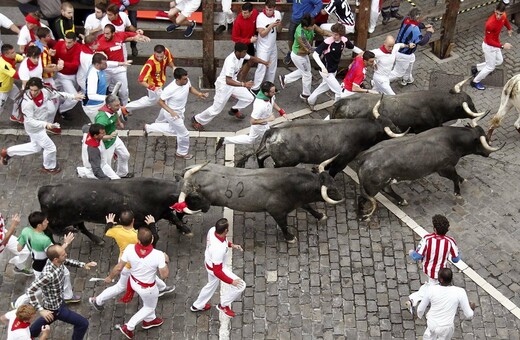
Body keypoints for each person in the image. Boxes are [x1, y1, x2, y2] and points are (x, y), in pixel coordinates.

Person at [89, 211, 174, 313]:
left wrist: (109, 223)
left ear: (119, 221)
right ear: (133, 221)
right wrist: (151, 224)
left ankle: (162, 288)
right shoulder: (136, 236)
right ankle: (97, 300)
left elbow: (107, 231)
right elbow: (152, 239)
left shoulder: (116, 230)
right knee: (121, 287)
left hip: (124, 259)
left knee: (149, 273)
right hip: (131, 265)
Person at [0, 77, 84, 172]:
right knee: (51, 148)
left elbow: (58, 94)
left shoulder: (45, 92)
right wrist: (45, 124)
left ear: (40, 88)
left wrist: (73, 96)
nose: (33, 92)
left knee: (35, 147)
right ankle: (49, 167)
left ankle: (8, 152)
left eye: (35, 90)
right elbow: (29, 121)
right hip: (34, 128)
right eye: (31, 90)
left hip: (41, 124)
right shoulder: (27, 103)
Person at [105, 227, 169, 339]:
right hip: (148, 288)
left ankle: (150, 320)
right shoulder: (158, 255)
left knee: (148, 304)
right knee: (149, 307)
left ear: (138, 240)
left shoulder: (130, 249)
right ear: (152, 239)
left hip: (133, 282)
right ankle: (129, 327)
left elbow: (119, 267)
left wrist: (110, 277)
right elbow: (164, 275)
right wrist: (166, 260)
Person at [191, 42, 269, 131]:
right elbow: (228, 81)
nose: (245, 54)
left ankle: (234, 110)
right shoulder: (230, 61)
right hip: (224, 86)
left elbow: (252, 58)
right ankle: (196, 119)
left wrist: (264, 62)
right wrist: (243, 84)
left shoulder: (241, 55)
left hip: (233, 83)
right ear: (237, 52)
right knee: (216, 110)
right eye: (243, 52)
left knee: (249, 98)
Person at [27, 245, 96, 340]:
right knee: (83, 323)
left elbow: (66, 260)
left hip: (59, 302)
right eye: (63, 254)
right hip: (56, 308)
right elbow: (30, 290)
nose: (66, 255)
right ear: (55, 259)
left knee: (48, 318)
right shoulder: (48, 275)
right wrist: (41, 310)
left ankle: (28, 335)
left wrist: (83, 264)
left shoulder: (56, 262)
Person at [13, 211, 78, 309]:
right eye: (45, 221)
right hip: (45, 267)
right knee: (39, 289)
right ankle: (18, 303)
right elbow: (55, 253)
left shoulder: (25, 231)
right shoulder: (44, 240)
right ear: (39, 225)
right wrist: (66, 242)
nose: (47, 222)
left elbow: (19, 248)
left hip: (37, 264)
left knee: (65, 273)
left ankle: (68, 296)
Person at [145, 67, 208, 160]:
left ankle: (149, 127)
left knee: (173, 130)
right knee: (184, 134)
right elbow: (160, 101)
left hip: (180, 111)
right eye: (184, 79)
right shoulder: (170, 89)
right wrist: (172, 112)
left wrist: (199, 94)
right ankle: (182, 153)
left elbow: (190, 88)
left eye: (187, 78)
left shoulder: (186, 81)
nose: (186, 80)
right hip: (172, 114)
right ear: (177, 79)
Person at [406, 214, 461, 316]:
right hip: (441, 272)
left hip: (427, 269)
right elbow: (456, 259)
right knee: (432, 288)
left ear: (434, 229)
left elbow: (417, 256)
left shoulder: (427, 239)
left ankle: (413, 300)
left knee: (430, 285)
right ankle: (413, 300)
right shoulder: (450, 241)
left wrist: (411, 252)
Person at [190, 218, 245, 318]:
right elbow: (218, 271)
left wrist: (231, 245)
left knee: (211, 285)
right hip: (216, 268)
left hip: (209, 262)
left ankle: (197, 305)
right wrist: (231, 282)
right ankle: (223, 305)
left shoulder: (212, 230)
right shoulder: (218, 250)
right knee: (241, 285)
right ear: (225, 231)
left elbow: (223, 240)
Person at [215, 81, 285, 152]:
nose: (275, 93)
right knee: (272, 139)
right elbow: (252, 121)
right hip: (260, 127)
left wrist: (281, 111)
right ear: (266, 93)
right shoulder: (260, 105)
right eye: (273, 92)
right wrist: (268, 119)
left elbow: (273, 103)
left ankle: (224, 140)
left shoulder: (270, 96)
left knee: (252, 140)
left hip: (264, 124)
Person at [306, 23, 363, 110]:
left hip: (334, 69)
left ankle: (310, 100)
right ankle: (336, 109)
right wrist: (323, 67)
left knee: (324, 86)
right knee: (339, 91)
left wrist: (364, 53)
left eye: (336, 34)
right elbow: (315, 54)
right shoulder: (328, 42)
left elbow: (353, 48)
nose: (333, 35)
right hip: (326, 70)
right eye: (333, 33)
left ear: (341, 35)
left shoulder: (344, 40)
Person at [278, 15, 331, 101]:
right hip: (299, 55)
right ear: (305, 27)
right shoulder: (301, 35)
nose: (313, 27)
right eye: (311, 26)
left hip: (303, 54)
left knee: (304, 71)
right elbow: (309, 49)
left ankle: (285, 79)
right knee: (307, 74)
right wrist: (323, 48)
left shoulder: (311, 24)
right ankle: (305, 95)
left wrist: (333, 35)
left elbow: (322, 32)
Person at [96, 24, 150, 106]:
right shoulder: (100, 42)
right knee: (101, 89)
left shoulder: (120, 35)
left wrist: (140, 35)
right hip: (106, 69)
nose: (105, 36)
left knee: (124, 91)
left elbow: (131, 34)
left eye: (107, 34)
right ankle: (102, 108)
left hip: (119, 69)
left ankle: (125, 108)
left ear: (114, 33)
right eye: (104, 33)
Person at [417, 268, 476, 340]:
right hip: (446, 327)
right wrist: (471, 309)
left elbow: (420, 309)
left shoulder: (431, 289)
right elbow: (469, 314)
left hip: (432, 323)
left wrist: (420, 315)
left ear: (441, 279)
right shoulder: (460, 292)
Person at [122, 45, 176, 116]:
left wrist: (173, 67)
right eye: (157, 56)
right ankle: (167, 117)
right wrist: (153, 88)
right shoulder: (149, 64)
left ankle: (126, 109)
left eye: (161, 56)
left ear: (164, 53)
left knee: (153, 101)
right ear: (154, 53)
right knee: (163, 102)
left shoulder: (166, 51)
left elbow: (169, 60)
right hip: (154, 86)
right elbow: (140, 80)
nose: (159, 58)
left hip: (160, 83)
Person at [471, 2, 512, 91]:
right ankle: (475, 82)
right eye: (497, 13)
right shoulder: (490, 24)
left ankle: (476, 68)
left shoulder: (503, 15)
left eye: (500, 14)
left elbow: (505, 20)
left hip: (496, 44)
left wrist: (509, 28)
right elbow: (489, 41)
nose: (498, 16)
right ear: (494, 11)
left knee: (499, 61)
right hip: (489, 47)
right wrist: (502, 46)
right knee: (490, 67)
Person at [390, 8, 434, 86]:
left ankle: (406, 79)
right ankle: (379, 81)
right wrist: (429, 33)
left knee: (411, 61)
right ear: (418, 18)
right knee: (397, 73)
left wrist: (424, 26)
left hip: (401, 49)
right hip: (404, 53)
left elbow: (417, 24)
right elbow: (422, 42)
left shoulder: (406, 20)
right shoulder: (415, 30)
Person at [95, 94, 134, 178]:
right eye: (117, 105)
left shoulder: (113, 110)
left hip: (113, 138)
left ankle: (122, 173)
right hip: (105, 144)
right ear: (109, 106)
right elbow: (97, 136)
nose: (119, 107)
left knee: (125, 155)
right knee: (106, 165)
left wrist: (119, 123)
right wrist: (109, 136)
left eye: (119, 104)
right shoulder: (101, 119)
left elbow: (115, 114)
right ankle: (107, 180)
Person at [251, 0, 282, 93]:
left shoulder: (277, 14)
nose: (268, 12)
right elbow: (262, 34)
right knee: (261, 67)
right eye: (267, 9)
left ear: (274, 9)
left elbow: (279, 30)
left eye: (270, 10)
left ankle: (269, 86)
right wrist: (271, 26)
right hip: (263, 47)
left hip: (272, 45)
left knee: (272, 67)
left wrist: (279, 24)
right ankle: (255, 88)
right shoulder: (260, 17)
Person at [283, 0, 322, 65]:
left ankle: (305, 53)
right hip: (295, 19)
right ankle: (291, 52)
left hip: (305, 20)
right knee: (290, 38)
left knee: (308, 37)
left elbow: (319, 3)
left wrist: (312, 15)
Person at [53, 32, 82, 117]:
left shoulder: (78, 48)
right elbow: (54, 55)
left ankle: (58, 106)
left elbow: (75, 64)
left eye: (69, 42)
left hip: (71, 76)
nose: (66, 44)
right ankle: (61, 110)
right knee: (74, 98)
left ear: (74, 41)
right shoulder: (59, 44)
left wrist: (63, 63)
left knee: (57, 90)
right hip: (63, 76)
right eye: (66, 41)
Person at [231, 2, 259, 82]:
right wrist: (249, 40)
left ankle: (241, 79)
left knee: (250, 61)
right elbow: (234, 38)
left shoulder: (255, 13)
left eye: (246, 13)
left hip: (250, 43)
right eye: (242, 12)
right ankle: (236, 80)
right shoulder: (238, 21)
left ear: (251, 12)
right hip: (241, 45)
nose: (243, 14)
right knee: (239, 65)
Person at [0, 44, 23, 124]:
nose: (15, 53)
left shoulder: (12, 57)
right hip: (2, 89)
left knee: (19, 98)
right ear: (6, 54)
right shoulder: (3, 64)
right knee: (0, 107)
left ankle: (15, 116)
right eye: (12, 52)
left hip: (9, 85)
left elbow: (21, 58)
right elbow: (16, 75)